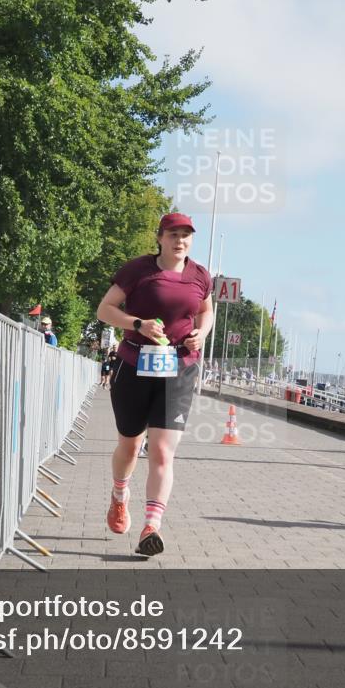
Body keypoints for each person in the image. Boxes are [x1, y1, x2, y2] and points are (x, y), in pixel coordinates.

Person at [95, 212, 213, 557]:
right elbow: (105, 309)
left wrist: (200, 335)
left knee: (162, 451)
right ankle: (119, 495)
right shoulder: (138, 270)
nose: (181, 241)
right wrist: (138, 323)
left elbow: (206, 311)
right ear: (159, 237)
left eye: (186, 235)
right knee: (130, 447)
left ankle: (151, 526)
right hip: (134, 363)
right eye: (173, 234)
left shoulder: (199, 275)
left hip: (178, 367)